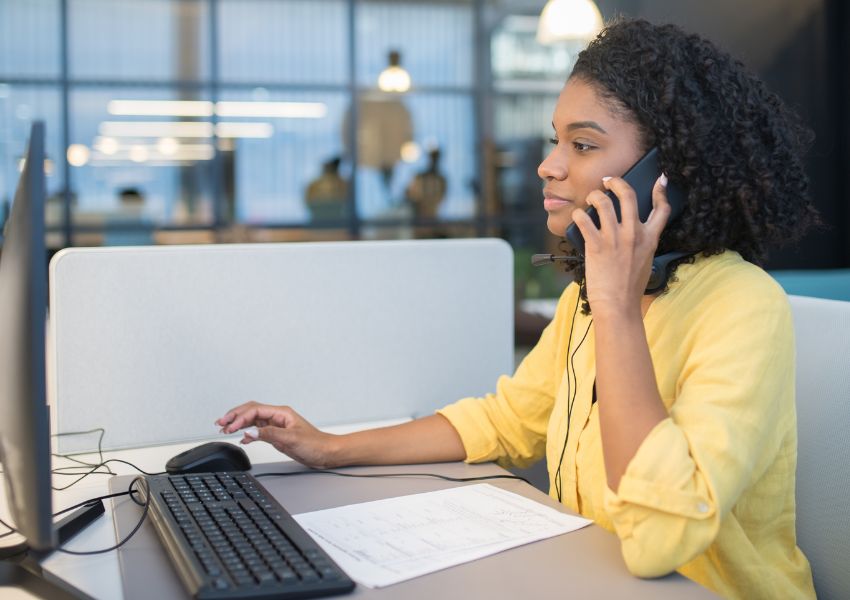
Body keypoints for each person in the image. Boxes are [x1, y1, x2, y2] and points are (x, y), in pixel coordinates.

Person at [216, 18, 817, 599]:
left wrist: (614, 306)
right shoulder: (586, 303)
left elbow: (661, 538)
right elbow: (506, 421)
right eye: (554, 140)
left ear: (665, 175)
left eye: (582, 144)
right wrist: (330, 448)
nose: (549, 165)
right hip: (589, 575)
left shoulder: (740, 305)